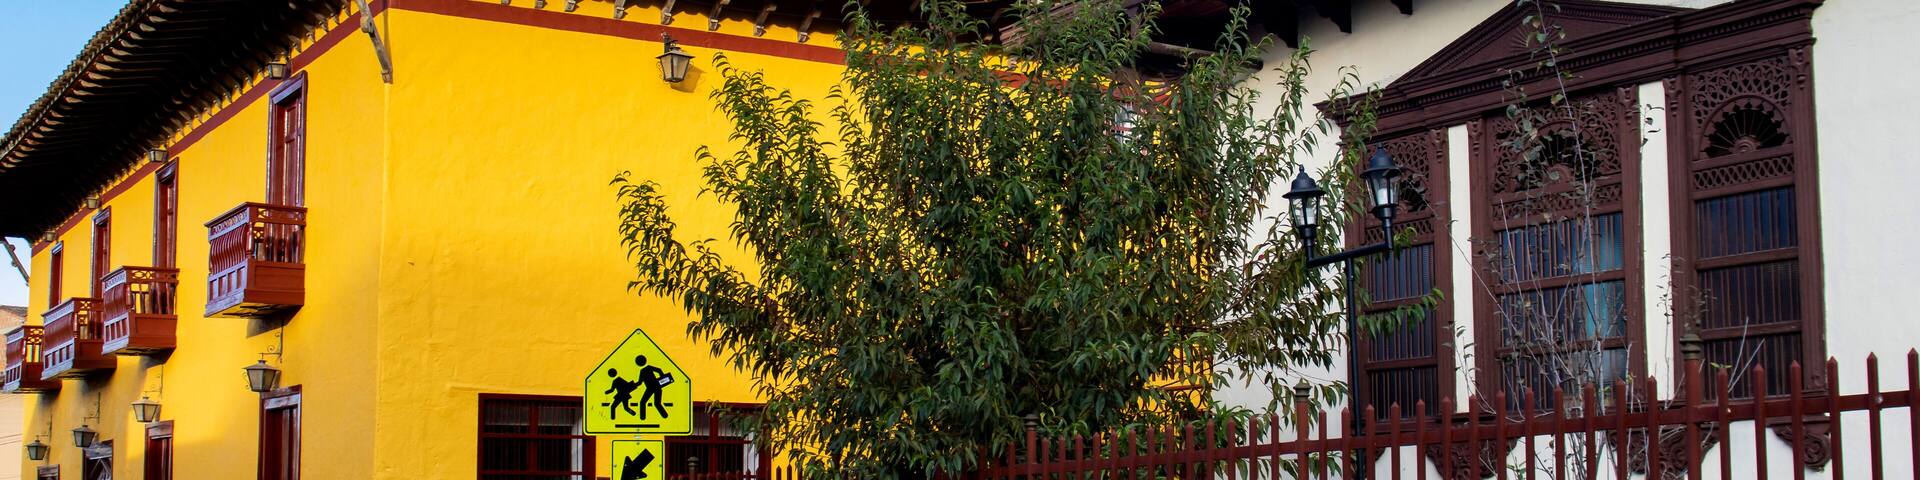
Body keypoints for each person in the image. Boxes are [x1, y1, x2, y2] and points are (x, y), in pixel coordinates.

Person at [635, 355, 670, 419]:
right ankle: (665, 416)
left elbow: (639, 382)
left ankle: (642, 417)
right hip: (656, 387)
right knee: (657, 403)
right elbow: (659, 370)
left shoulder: (643, 371)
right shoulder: (648, 368)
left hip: (651, 388)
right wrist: (662, 377)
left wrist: (662, 378)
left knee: (643, 402)